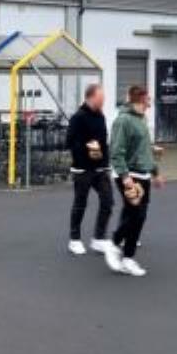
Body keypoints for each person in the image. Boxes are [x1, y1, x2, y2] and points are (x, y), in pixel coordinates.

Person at [105, 85, 163, 277]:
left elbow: (144, 150)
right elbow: (116, 151)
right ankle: (114, 244)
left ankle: (127, 258)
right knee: (135, 214)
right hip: (129, 174)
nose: (150, 102)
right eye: (148, 99)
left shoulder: (142, 119)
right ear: (141, 99)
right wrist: (124, 176)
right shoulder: (123, 121)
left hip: (143, 174)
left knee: (139, 216)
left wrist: (155, 172)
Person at [65, 83, 114, 256]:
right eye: (101, 98)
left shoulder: (101, 116)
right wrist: (87, 147)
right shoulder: (78, 117)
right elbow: (69, 142)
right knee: (80, 203)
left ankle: (98, 239)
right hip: (82, 168)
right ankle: (74, 240)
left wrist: (106, 164)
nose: (103, 101)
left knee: (108, 201)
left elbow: (104, 142)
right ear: (91, 97)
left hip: (100, 168)